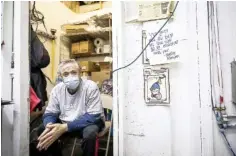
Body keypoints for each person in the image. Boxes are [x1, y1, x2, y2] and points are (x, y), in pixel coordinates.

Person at [35, 59, 105, 156]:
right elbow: (50, 112)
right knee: (43, 129)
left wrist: (66, 127)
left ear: (80, 73)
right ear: (61, 76)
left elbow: (94, 116)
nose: (70, 76)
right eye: (66, 74)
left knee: (90, 133)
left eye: (73, 72)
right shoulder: (57, 90)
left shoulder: (90, 87)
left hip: (86, 123)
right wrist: (49, 125)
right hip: (65, 123)